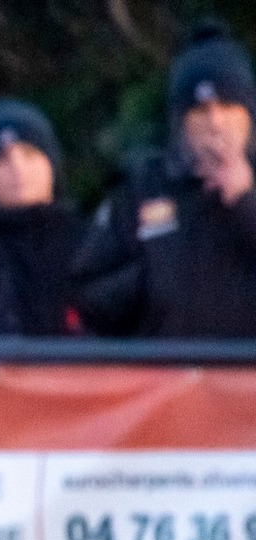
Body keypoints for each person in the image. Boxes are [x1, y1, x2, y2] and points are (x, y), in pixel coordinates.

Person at [75, 22, 256, 337]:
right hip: (166, 382)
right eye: (200, 110)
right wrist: (149, 280)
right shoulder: (141, 188)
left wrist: (245, 202)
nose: (215, 122)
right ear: (179, 122)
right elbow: (87, 297)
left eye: (227, 106)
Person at [0, 99, 85, 336]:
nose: (17, 168)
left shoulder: (91, 243)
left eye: (29, 154)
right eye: (2, 159)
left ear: (52, 165)